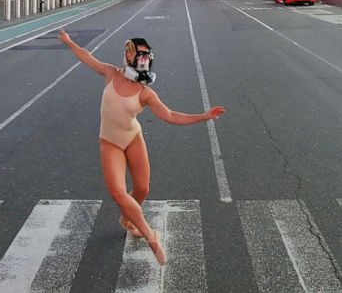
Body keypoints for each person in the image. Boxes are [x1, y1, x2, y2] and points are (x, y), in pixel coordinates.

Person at [57, 31, 225, 266]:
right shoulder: (110, 73)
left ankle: (127, 220)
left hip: (133, 137)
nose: (140, 58)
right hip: (110, 141)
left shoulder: (146, 93)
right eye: (137, 53)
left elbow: (170, 115)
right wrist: (68, 42)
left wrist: (203, 117)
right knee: (117, 192)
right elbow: (86, 57)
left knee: (142, 190)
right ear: (127, 56)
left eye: (144, 54)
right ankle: (150, 235)